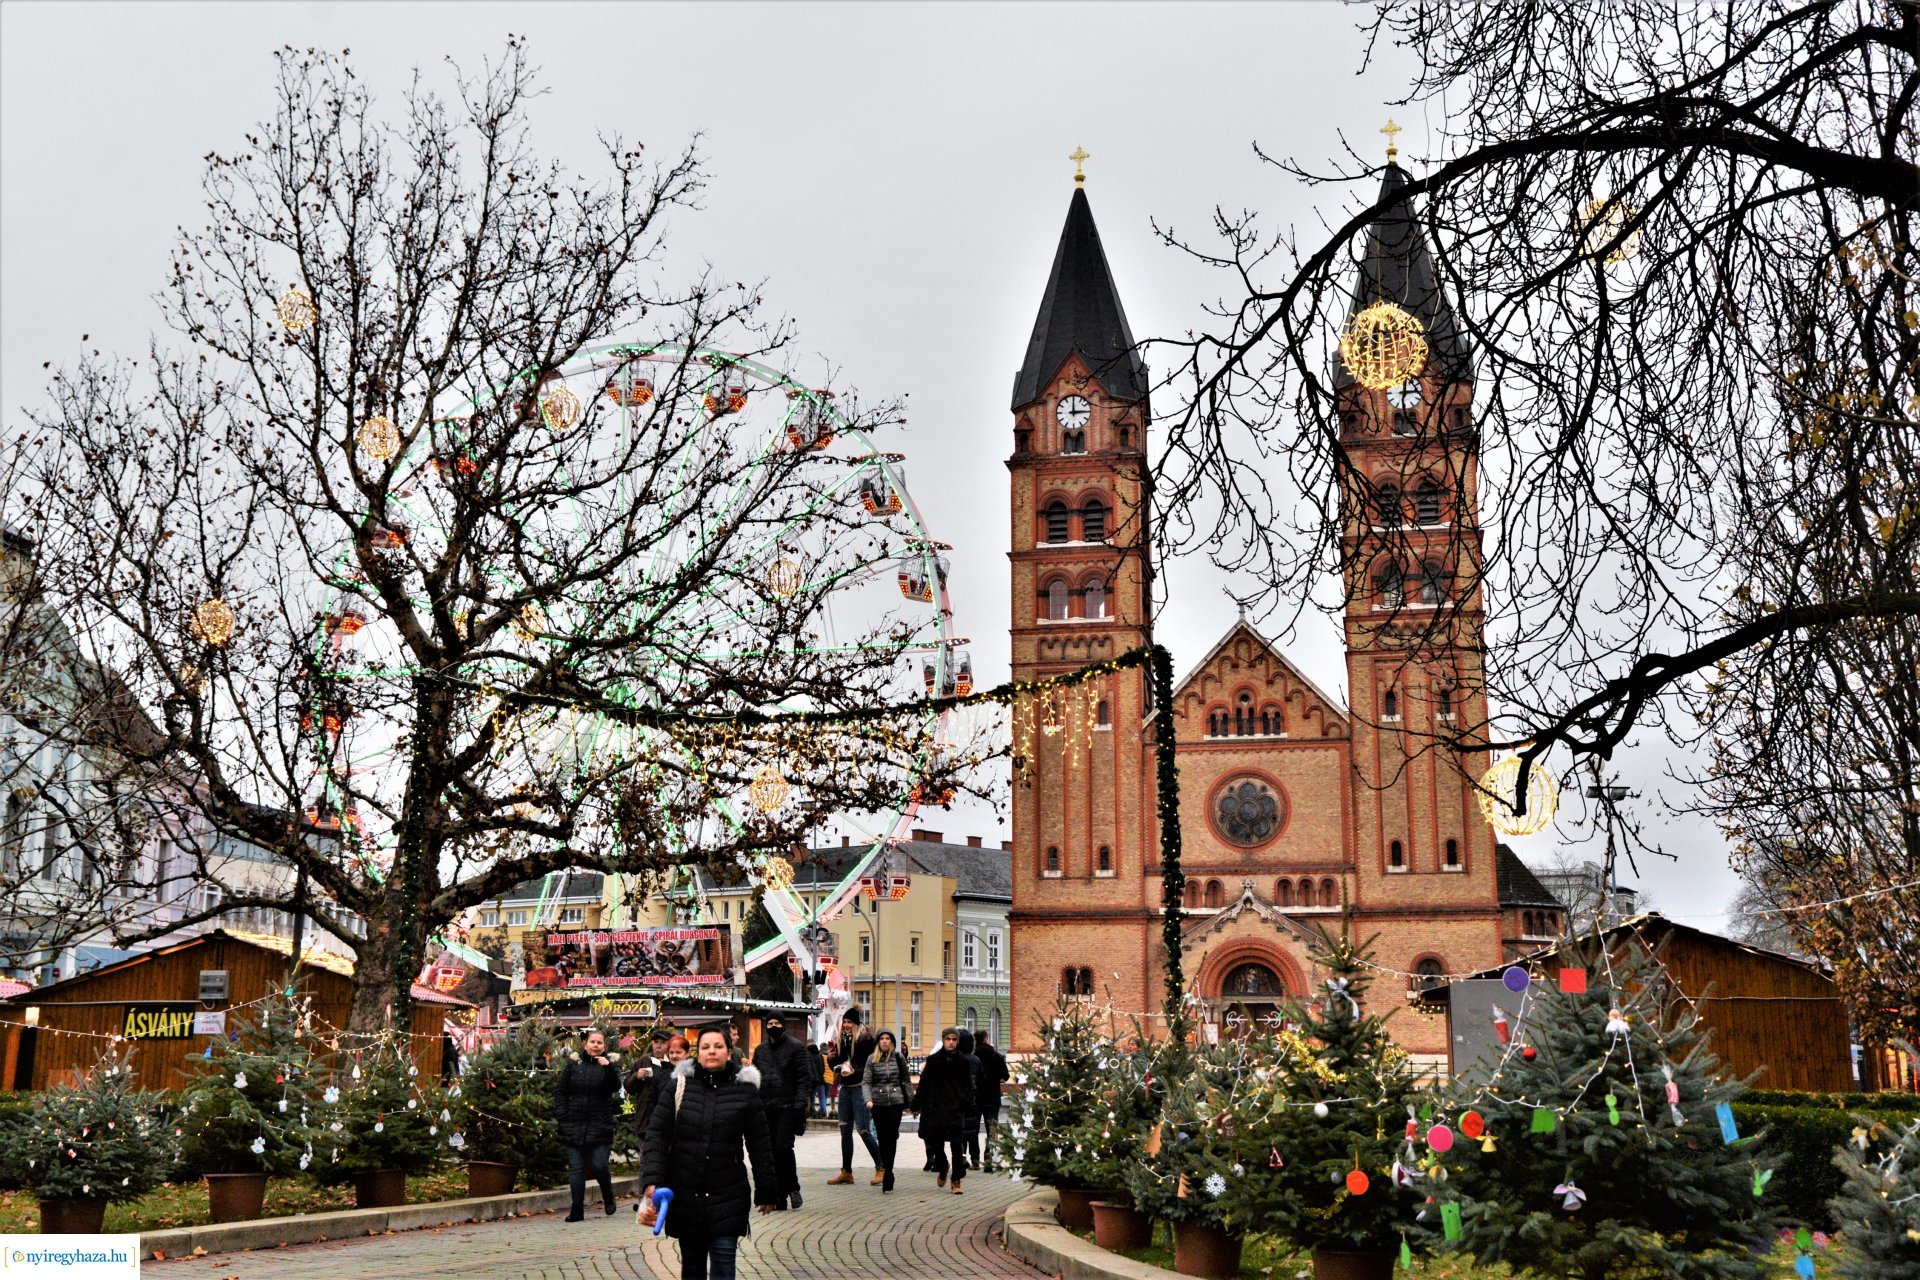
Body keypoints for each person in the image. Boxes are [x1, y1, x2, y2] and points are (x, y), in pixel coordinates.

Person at [640, 1028, 779, 1280]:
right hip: (686, 1194)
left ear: (729, 1052)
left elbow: (760, 1142)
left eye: (718, 1046)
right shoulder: (679, 1084)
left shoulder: (745, 1088)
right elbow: (657, 1135)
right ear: (698, 1052)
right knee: (692, 1268)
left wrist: (767, 1190)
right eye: (705, 1047)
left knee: (724, 1263)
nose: (712, 1051)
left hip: (727, 1192)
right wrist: (651, 1180)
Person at [554, 1028, 622, 1221]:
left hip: (599, 1124)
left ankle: (608, 1196)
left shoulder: (610, 1065)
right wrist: (562, 1115)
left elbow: (615, 1086)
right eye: (592, 1042)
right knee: (576, 1168)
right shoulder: (574, 1064)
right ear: (585, 1045)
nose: (595, 1045)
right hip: (573, 1124)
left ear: (604, 1046)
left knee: (599, 1165)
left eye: (599, 1043)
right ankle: (577, 1209)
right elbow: (560, 1091)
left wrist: (608, 1068)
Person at [749, 1013, 811, 1209]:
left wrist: (799, 1105)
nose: (773, 1026)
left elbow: (804, 1078)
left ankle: (792, 1187)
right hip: (765, 1107)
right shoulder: (761, 1050)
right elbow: (754, 1077)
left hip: (787, 1107)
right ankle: (779, 1196)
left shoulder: (796, 1047)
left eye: (777, 1023)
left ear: (783, 1025)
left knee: (783, 1148)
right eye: (770, 1023)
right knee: (770, 1151)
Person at [911, 1027, 975, 1193]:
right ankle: (943, 1165)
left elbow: (969, 1085)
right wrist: (916, 1104)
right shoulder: (933, 1060)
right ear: (943, 1040)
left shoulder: (963, 1061)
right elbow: (924, 1084)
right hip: (937, 1109)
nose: (951, 1042)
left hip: (956, 1109)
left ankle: (956, 1181)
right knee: (936, 1144)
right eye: (948, 1039)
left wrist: (967, 1101)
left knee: (956, 1146)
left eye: (954, 1040)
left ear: (958, 1042)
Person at [825, 1008, 882, 1186]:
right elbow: (837, 1066)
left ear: (856, 1024)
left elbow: (871, 1066)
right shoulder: (842, 1040)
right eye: (844, 1022)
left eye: (850, 1022)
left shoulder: (866, 1040)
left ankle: (881, 1168)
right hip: (845, 1088)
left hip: (860, 1088)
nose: (846, 1025)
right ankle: (846, 1172)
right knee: (844, 1131)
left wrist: (853, 1071)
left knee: (863, 1130)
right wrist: (831, 1058)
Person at [861, 1029, 910, 1193]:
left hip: (896, 1102)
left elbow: (906, 1080)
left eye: (887, 1038)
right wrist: (868, 1099)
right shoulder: (871, 1059)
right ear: (878, 1042)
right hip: (878, 1103)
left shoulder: (898, 1057)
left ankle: (888, 1171)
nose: (884, 1041)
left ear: (892, 1041)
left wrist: (912, 1103)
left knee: (891, 1136)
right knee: (882, 1138)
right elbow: (866, 1082)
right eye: (882, 1038)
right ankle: (887, 1168)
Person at [973, 1032, 1010, 1171]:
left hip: (976, 1098)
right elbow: (1006, 1076)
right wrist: (996, 1079)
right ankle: (989, 1159)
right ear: (986, 1039)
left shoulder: (973, 1057)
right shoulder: (997, 1056)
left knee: (973, 1130)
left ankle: (975, 1160)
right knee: (992, 1130)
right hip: (992, 1098)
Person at [804, 1038, 828, 1116]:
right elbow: (823, 1068)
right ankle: (813, 1110)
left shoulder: (806, 1054)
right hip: (818, 1079)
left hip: (809, 1079)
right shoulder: (819, 1055)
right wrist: (819, 1075)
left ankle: (809, 1111)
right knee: (813, 1095)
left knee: (808, 1095)